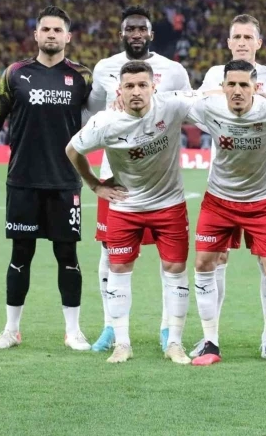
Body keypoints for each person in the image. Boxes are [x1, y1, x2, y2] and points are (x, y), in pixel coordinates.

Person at [0, 6, 93, 351]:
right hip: (23, 179)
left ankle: (73, 332)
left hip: (65, 181)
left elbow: (100, 119)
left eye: (58, 30)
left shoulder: (82, 77)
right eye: (46, 29)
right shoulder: (15, 73)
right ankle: (11, 330)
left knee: (67, 255)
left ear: (68, 37)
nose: (51, 34)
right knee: (20, 254)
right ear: (36, 34)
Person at [66, 60, 204, 364]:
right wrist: (94, 184)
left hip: (169, 205)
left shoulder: (172, 105)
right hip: (125, 206)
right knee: (118, 270)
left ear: (154, 87)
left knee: (175, 270)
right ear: (120, 90)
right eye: (129, 86)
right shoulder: (106, 121)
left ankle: (175, 343)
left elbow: (209, 96)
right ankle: (122, 344)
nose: (136, 91)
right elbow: (72, 150)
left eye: (143, 85)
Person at [87, 5, 193, 353]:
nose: (135, 34)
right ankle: (110, 327)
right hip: (115, 176)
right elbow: (93, 111)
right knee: (110, 254)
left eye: (141, 29)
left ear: (151, 33)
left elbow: (188, 109)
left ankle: (167, 329)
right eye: (129, 29)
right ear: (121, 34)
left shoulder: (174, 71)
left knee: (170, 259)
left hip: (160, 179)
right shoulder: (104, 68)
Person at [190, 14, 266, 360]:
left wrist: (261, 128)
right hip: (220, 184)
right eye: (237, 36)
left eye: (249, 37)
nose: (243, 42)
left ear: (259, 43)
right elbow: (195, 106)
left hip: (261, 186)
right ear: (229, 42)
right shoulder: (213, 77)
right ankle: (210, 336)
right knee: (214, 258)